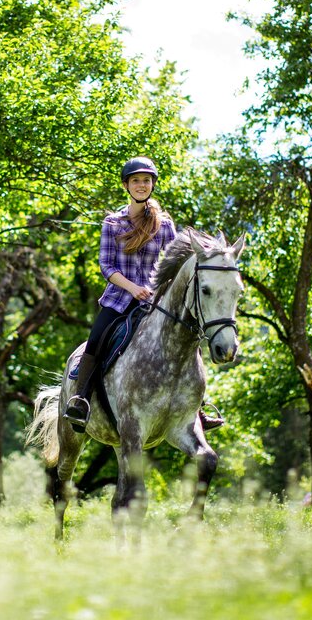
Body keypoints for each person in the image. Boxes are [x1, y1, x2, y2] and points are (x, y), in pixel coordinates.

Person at [62, 156, 225, 433]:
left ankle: (197, 407)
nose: (141, 185)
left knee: (186, 337)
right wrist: (133, 288)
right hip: (119, 299)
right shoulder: (113, 223)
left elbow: (174, 264)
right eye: (136, 180)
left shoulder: (164, 225)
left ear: (152, 185)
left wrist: (160, 291)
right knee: (96, 339)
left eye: (146, 181)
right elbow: (106, 266)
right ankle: (80, 398)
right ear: (127, 185)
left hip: (154, 303)